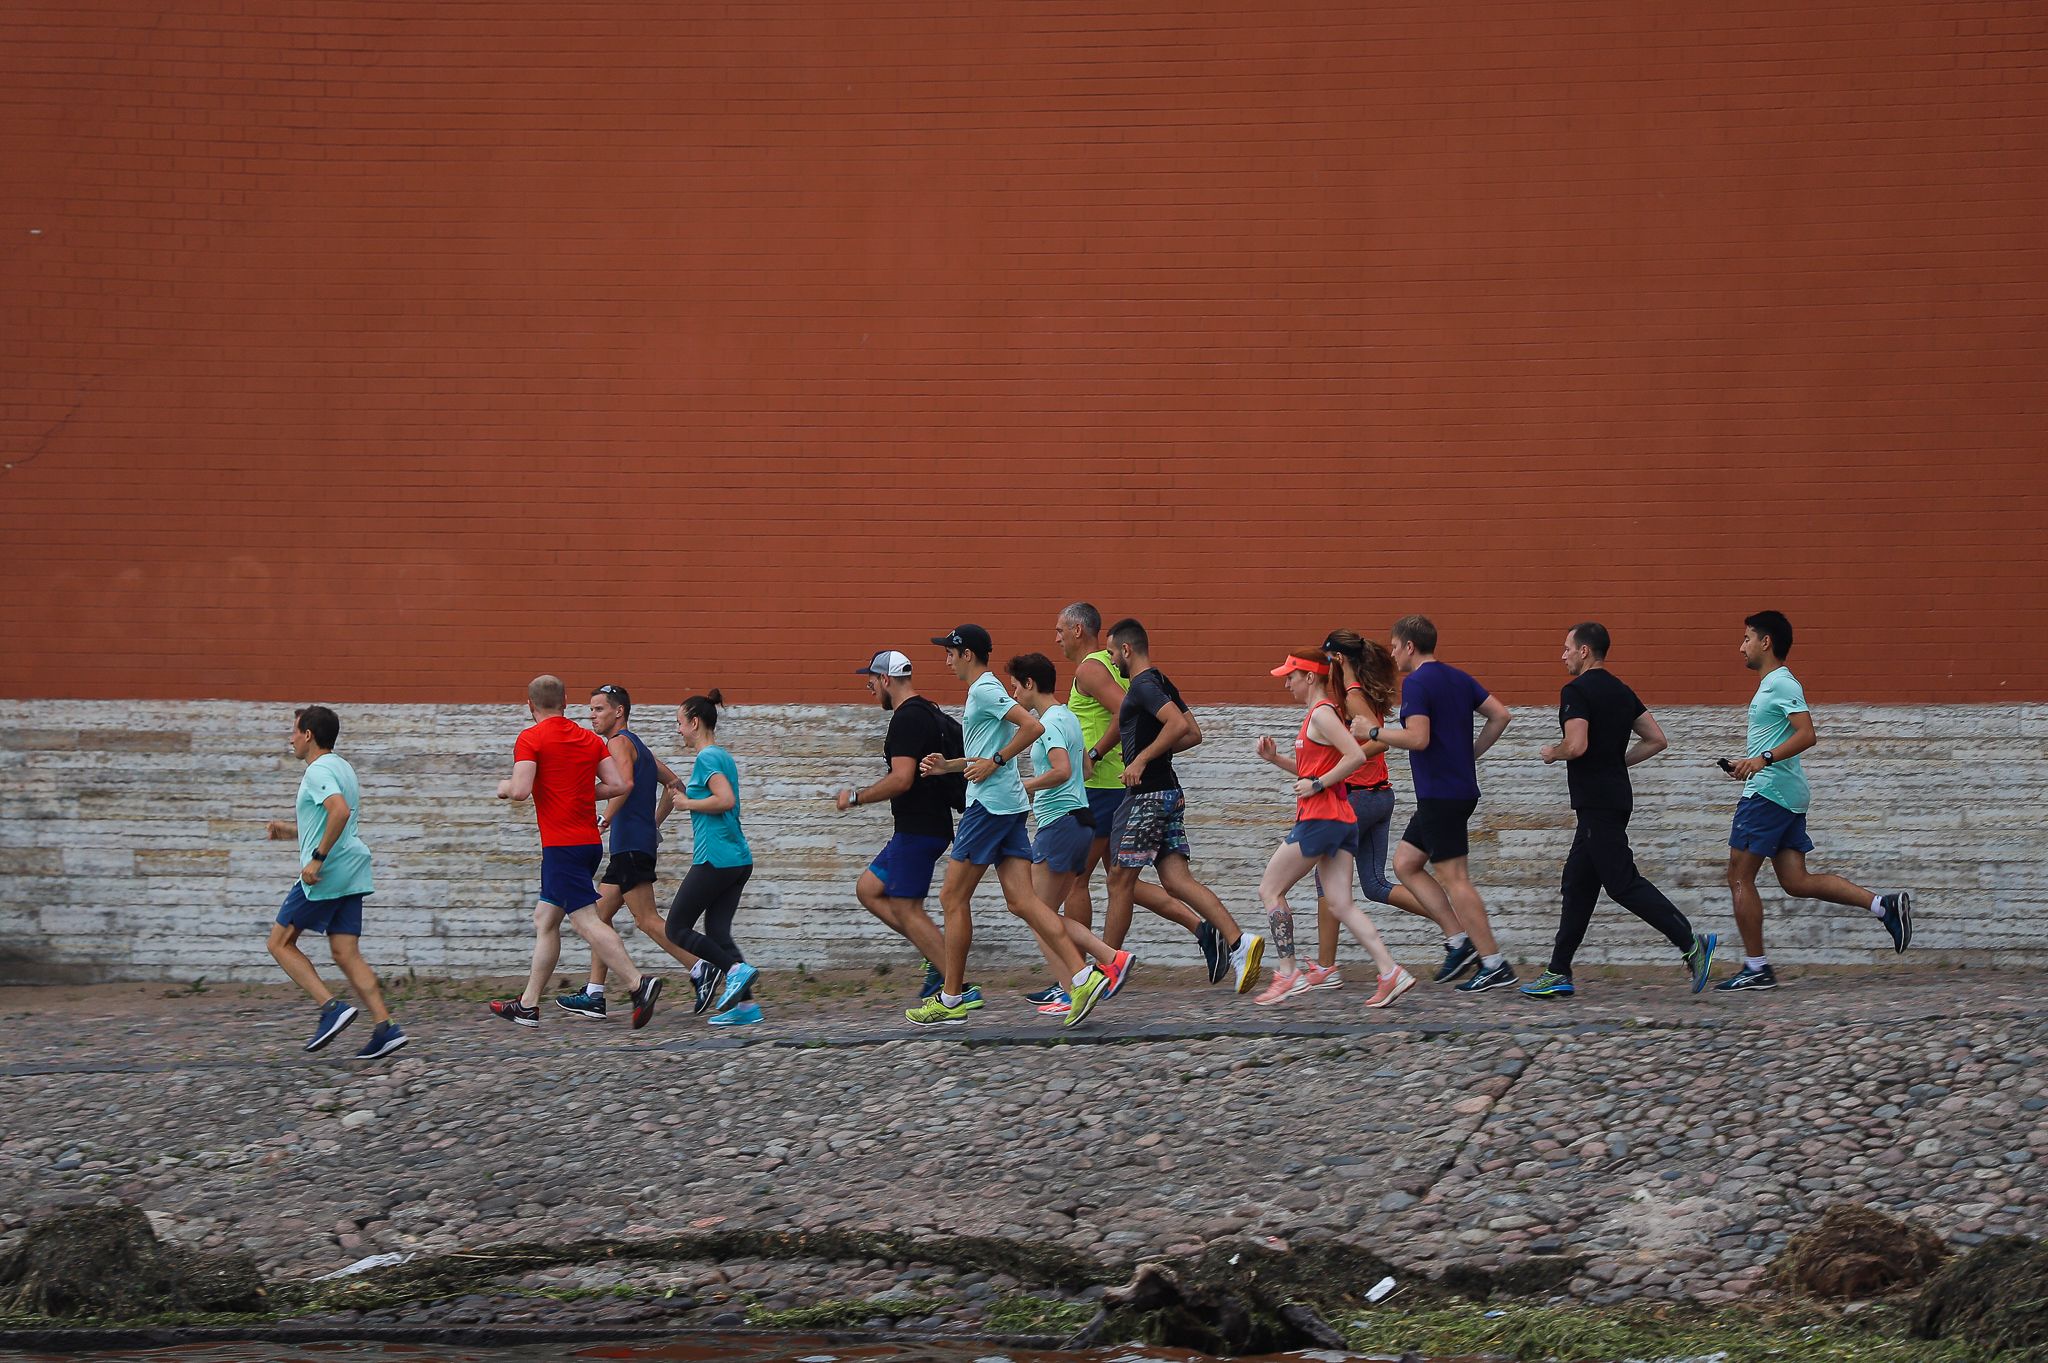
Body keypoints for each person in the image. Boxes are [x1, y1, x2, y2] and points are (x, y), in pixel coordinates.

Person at [911, 624, 1111, 1029]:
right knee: (1024, 902)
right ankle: (1081, 976)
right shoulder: (987, 692)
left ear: (968, 654)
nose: (946, 659)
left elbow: (1031, 728)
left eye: (950, 652)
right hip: (1009, 806)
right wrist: (948, 766)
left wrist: (997, 761)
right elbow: (986, 753)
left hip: (988, 808)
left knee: (952, 897)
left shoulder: (984, 689)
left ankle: (951, 998)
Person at [1716, 611, 1912, 991]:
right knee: (1795, 880)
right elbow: (1775, 741)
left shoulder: (1780, 683)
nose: (1741, 647)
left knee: (1739, 877)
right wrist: (1749, 761)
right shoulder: (1773, 686)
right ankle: (1883, 905)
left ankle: (1757, 968)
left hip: (1767, 794)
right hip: (1782, 793)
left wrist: (1763, 760)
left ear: (1765, 642)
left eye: (1746, 638)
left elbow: (1807, 734)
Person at [1522, 624, 1717, 997]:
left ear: (1584, 651)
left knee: (1622, 883)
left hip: (1596, 803)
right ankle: (1558, 970)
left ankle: (1692, 943)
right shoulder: (1622, 690)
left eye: (1566, 648)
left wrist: (1553, 752)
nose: (1561, 655)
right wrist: (1616, 763)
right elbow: (1656, 739)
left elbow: (1576, 745)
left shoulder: (1575, 691)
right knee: (1577, 884)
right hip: (1610, 800)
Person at [1054, 603, 1219, 989]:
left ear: (1079, 630)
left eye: (1060, 630)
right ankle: (1202, 929)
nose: (1056, 637)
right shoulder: (1112, 665)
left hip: (1102, 787)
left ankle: (1079, 978)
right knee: (1123, 881)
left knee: (1077, 883)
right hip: (1119, 786)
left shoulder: (1091, 668)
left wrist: (1092, 754)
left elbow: (1119, 713)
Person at [489, 675, 664, 1030]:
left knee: (585, 920)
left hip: (562, 846)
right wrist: (578, 791)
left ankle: (637, 983)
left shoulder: (530, 738)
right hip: (588, 843)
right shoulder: (587, 738)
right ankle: (528, 1005)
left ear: (529, 705)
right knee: (546, 918)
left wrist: (504, 788)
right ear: (566, 702)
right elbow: (618, 785)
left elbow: (521, 790)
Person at [1102, 618, 1266, 993]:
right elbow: (1193, 733)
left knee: (1119, 880)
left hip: (1147, 796)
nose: (1111, 660)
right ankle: (1240, 943)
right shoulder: (1161, 680)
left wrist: (1141, 759)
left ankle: (1107, 966)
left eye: (1112, 652)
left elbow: (1177, 726)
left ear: (1126, 650)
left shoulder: (1142, 685)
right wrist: (1153, 756)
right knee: (1176, 880)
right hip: (1169, 794)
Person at [1252, 655, 1416, 1007]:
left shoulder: (1322, 713)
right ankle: (1391, 972)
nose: (1286, 683)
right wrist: (1277, 760)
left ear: (1310, 677)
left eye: (1291, 677)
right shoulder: (1318, 714)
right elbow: (1314, 768)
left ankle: (1287, 973)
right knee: (1341, 903)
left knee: (1269, 888)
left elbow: (1355, 757)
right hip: (1338, 819)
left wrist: (1318, 785)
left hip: (1321, 819)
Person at [1369, 616, 1517, 993]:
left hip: (1441, 795)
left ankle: (1494, 963)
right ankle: (1458, 940)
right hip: (1452, 791)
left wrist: (1370, 731)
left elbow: (1418, 738)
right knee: (1406, 863)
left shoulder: (1417, 682)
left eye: (1394, 645)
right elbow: (1501, 715)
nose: (1392, 652)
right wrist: (1470, 755)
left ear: (1409, 647)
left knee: (1456, 879)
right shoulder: (1458, 677)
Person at [1315, 629, 1466, 989]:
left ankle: (1326, 968)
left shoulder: (1353, 696)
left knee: (1326, 881)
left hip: (1357, 798)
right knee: (1375, 885)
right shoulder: (1362, 691)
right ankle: (1458, 928)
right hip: (1378, 797)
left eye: (1326, 661)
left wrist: (1337, 765)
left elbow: (1377, 742)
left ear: (1338, 659)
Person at [263, 705, 407, 1059]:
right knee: (345, 952)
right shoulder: (342, 767)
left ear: (309, 734)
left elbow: (339, 811)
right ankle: (385, 1028)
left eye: (295, 731)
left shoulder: (318, 770)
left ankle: (331, 1009)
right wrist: (292, 831)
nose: (291, 738)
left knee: (279, 943)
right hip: (353, 869)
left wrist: (317, 858)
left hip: (328, 871)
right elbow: (332, 820)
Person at [556, 684, 704, 1019]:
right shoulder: (640, 746)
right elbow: (675, 785)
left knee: (647, 920)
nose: (591, 716)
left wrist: (604, 819)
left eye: (598, 709)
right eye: (591, 710)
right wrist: (653, 824)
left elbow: (624, 784)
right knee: (599, 917)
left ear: (618, 711)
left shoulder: (619, 743)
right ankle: (594, 994)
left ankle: (699, 968)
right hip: (635, 844)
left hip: (630, 847)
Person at [1006, 651, 1136, 1014]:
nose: (1014, 694)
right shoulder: (1069, 717)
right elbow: (1087, 770)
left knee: (1035, 914)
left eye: (1016, 686)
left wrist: (1025, 786)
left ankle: (1075, 986)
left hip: (1060, 824)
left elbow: (1063, 770)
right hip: (1080, 823)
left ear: (1030, 684)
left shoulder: (1048, 723)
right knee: (1044, 912)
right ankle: (1110, 960)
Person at [834, 650, 962, 1006]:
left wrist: (857, 797)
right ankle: (936, 956)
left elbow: (902, 779)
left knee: (907, 907)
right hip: (920, 827)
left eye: (872, 680)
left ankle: (958, 986)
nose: (869, 687)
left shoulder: (906, 720)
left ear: (886, 680)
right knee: (869, 889)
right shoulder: (928, 710)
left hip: (919, 829)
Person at [664, 690, 763, 1026]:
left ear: (694, 722)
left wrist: (686, 803)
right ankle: (747, 1008)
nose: (678, 730)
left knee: (675, 927)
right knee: (718, 931)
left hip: (716, 858)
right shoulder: (722, 756)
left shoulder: (707, 758)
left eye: (680, 723)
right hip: (737, 858)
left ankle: (735, 971)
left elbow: (725, 799)